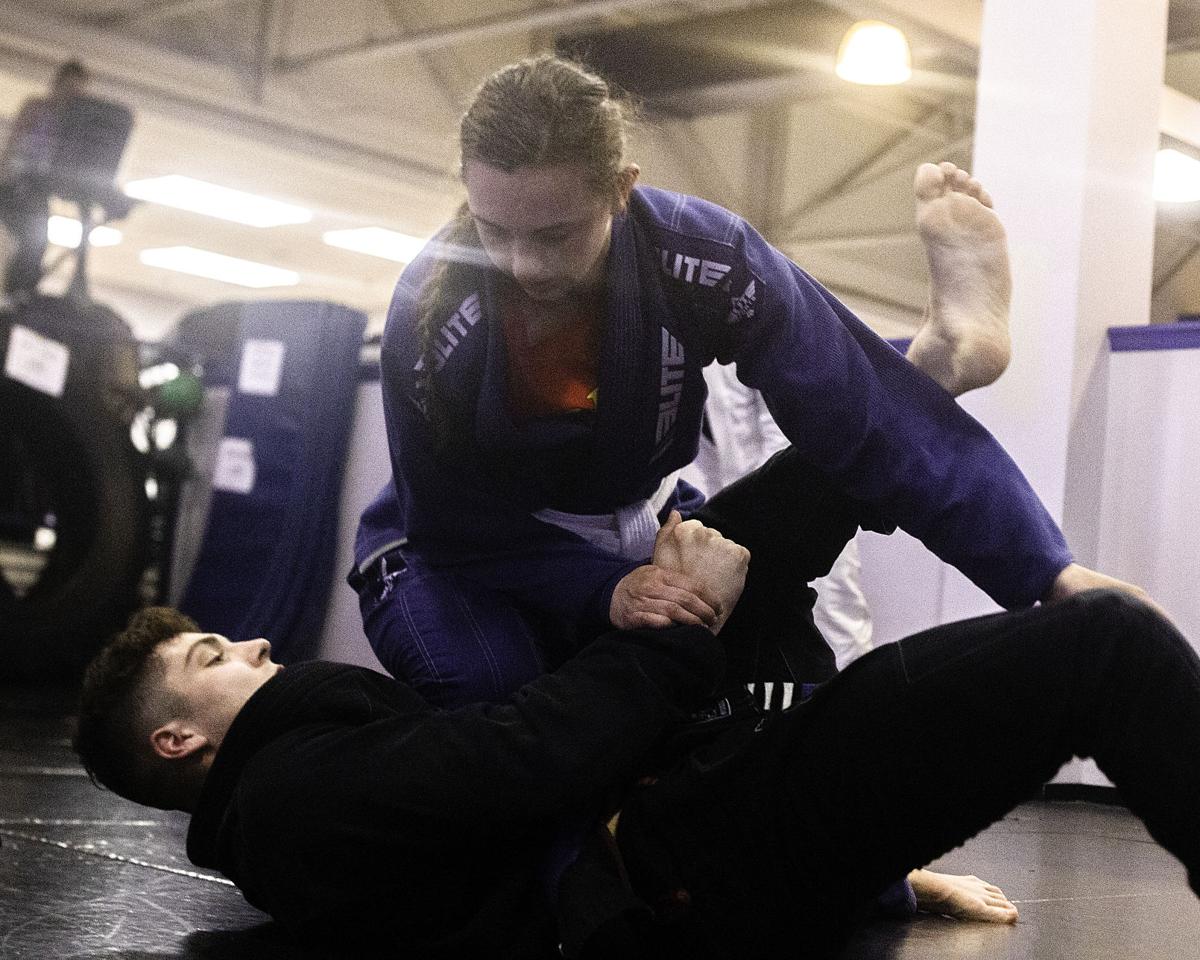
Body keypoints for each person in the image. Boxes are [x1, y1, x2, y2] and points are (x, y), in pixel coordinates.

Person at [354, 53, 1125, 720]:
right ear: (467, 188)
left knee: (762, 671)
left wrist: (1047, 574)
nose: (523, 265)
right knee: (503, 688)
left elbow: (855, 413)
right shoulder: (434, 305)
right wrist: (605, 595)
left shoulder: (699, 255)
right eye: (495, 231)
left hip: (640, 527)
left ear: (622, 188)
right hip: (449, 554)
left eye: (556, 234)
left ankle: (932, 370)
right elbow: (452, 525)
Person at [74, 506, 1200, 959]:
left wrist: (885, 875)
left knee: (743, 529)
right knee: (1100, 645)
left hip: (698, 833)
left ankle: (923, 383)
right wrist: (683, 626)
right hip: (694, 855)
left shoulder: (297, 799)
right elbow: (529, 761)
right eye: (212, 659)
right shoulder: (295, 796)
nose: (256, 649)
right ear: (178, 744)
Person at [0, 60, 90, 299]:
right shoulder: (36, 109)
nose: (70, 95)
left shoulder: (72, 123)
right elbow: (16, 148)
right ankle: (16, 292)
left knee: (36, 243)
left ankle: (20, 293)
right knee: (31, 240)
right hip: (15, 186)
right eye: (68, 88)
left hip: (36, 189)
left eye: (77, 92)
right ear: (56, 85)